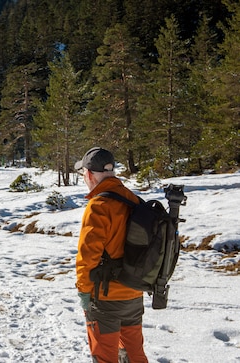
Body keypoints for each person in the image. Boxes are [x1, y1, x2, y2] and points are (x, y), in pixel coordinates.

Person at [74, 147, 148, 363]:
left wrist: (84, 293)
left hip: (105, 297)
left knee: (105, 357)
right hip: (134, 293)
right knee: (134, 354)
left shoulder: (99, 206)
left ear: (88, 174)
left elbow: (88, 256)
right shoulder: (133, 200)